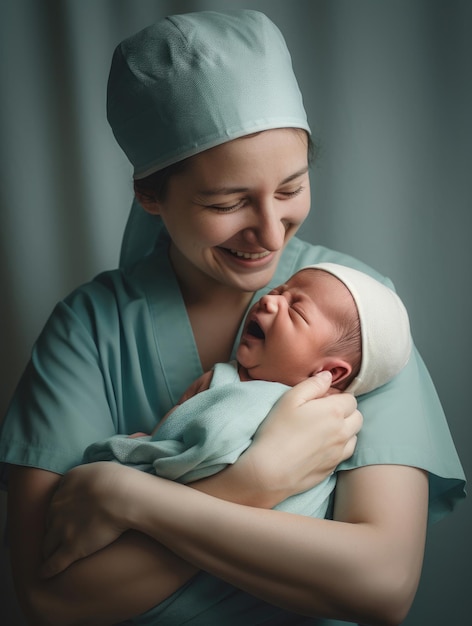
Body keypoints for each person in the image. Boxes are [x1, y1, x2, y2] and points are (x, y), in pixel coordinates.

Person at [0, 9, 465, 626]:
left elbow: (381, 583)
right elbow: (53, 602)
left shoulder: (359, 309)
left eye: (291, 188)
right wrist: (254, 482)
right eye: (227, 202)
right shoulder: (87, 329)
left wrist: (130, 498)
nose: (269, 234)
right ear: (149, 195)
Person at [84, 262, 412, 523]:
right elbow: (173, 429)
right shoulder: (222, 378)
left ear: (329, 373)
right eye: (280, 290)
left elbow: (212, 446)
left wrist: (142, 459)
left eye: (296, 310)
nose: (269, 299)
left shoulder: (314, 420)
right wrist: (153, 444)